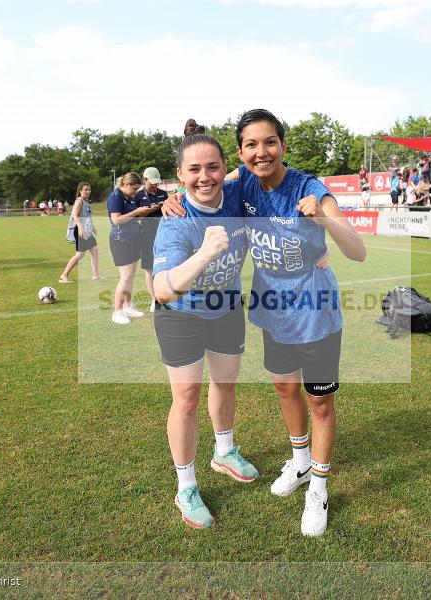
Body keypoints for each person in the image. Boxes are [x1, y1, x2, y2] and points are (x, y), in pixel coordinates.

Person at [164, 109, 366, 537]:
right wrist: (172, 196)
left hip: (315, 310)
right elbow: (203, 183)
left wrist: (325, 218)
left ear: (283, 145)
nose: (262, 152)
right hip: (273, 308)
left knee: (320, 403)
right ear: (241, 153)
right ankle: (298, 463)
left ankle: (319, 487)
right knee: (284, 388)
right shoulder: (243, 183)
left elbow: (358, 251)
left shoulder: (310, 188)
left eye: (270, 142)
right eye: (252, 145)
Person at [151, 123, 256, 530]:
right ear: (179, 175)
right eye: (193, 170)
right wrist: (205, 253)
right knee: (187, 399)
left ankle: (224, 451)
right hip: (182, 313)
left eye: (212, 167)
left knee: (226, 384)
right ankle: (186, 485)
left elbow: (258, 168)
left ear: (225, 168)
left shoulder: (236, 191)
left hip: (227, 307)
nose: (204, 177)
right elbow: (162, 289)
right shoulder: (176, 219)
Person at [107, 172, 152, 324]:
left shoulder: (128, 196)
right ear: (126, 185)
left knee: (131, 275)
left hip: (132, 239)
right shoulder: (116, 196)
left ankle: (127, 306)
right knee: (125, 276)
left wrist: (144, 211)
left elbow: (132, 217)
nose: (135, 192)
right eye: (133, 188)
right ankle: (117, 311)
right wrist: (137, 212)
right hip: (121, 241)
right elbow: (117, 220)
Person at [134, 167, 169, 312]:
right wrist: (148, 210)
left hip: (164, 232)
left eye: (156, 182)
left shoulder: (162, 193)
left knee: (166, 264)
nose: (155, 185)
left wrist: (163, 207)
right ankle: (154, 299)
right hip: (146, 233)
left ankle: (166, 296)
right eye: (152, 182)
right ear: (145, 180)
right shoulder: (138, 195)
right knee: (149, 267)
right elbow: (134, 216)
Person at [59, 182, 102, 283]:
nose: (88, 191)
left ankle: (96, 276)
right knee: (80, 255)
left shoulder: (86, 202)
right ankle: (64, 275)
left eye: (89, 189)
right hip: (80, 231)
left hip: (87, 230)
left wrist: (93, 228)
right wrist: (80, 227)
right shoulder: (79, 201)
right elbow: (75, 215)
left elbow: (88, 218)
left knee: (95, 250)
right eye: (85, 189)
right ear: (80, 191)